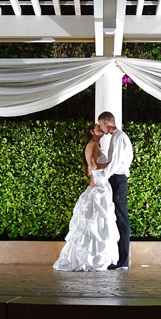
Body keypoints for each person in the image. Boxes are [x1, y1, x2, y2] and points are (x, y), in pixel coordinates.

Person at [53, 123, 120, 272]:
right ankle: (92, 258)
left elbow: (92, 168)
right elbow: (93, 167)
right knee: (96, 220)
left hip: (100, 182)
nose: (100, 128)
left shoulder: (95, 145)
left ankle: (96, 257)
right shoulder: (93, 145)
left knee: (98, 220)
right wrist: (110, 164)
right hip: (99, 184)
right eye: (97, 127)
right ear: (92, 131)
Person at [98, 111, 133, 270]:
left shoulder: (119, 137)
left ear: (107, 122)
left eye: (101, 124)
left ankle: (123, 261)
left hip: (118, 179)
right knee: (119, 218)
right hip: (117, 179)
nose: (100, 128)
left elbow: (116, 162)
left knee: (122, 218)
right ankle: (121, 259)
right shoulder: (117, 137)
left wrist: (102, 176)